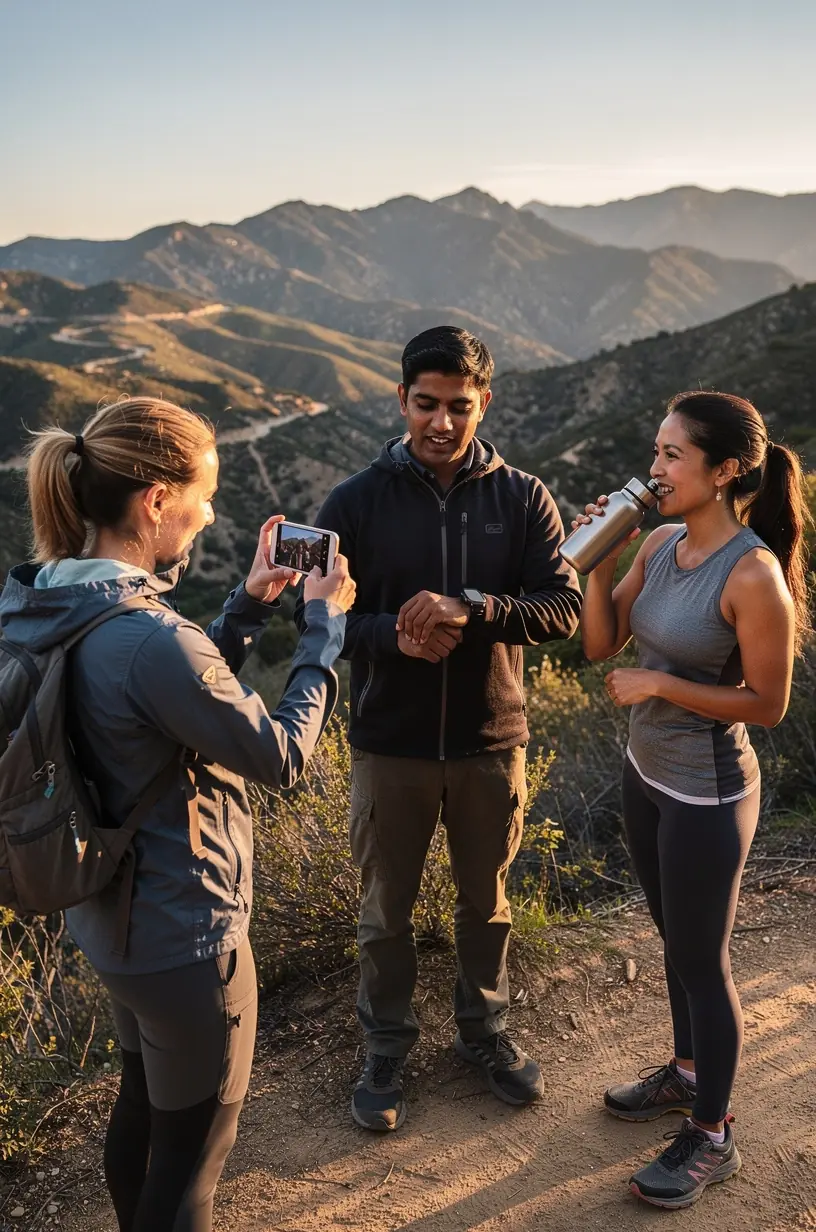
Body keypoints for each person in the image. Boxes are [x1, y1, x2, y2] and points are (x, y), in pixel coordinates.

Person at [0, 397, 355, 1232]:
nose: (209, 514)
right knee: (191, 1166)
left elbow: (148, 709)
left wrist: (245, 605)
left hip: (107, 921)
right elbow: (281, 756)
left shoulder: (44, 598)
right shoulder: (153, 639)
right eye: (203, 494)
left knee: (141, 1108)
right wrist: (323, 631)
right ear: (158, 501)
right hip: (186, 934)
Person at [296, 326, 582, 1131]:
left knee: (485, 903)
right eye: (427, 404)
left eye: (460, 406)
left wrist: (476, 609)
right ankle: (385, 1048)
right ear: (402, 401)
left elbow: (561, 609)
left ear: (483, 402)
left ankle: (483, 1031)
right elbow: (312, 617)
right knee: (384, 910)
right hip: (390, 745)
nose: (443, 423)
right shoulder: (353, 502)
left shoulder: (523, 497)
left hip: (494, 744)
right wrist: (393, 634)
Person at [575, 390, 808, 1209]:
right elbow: (601, 644)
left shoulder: (753, 574)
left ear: (727, 470)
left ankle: (714, 1135)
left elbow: (768, 705)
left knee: (703, 962)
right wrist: (603, 559)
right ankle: (684, 1073)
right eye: (657, 451)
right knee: (673, 938)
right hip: (648, 774)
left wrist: (661, 682)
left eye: (674, 455)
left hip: (709, 792)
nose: (657, 467)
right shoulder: (664, 542)